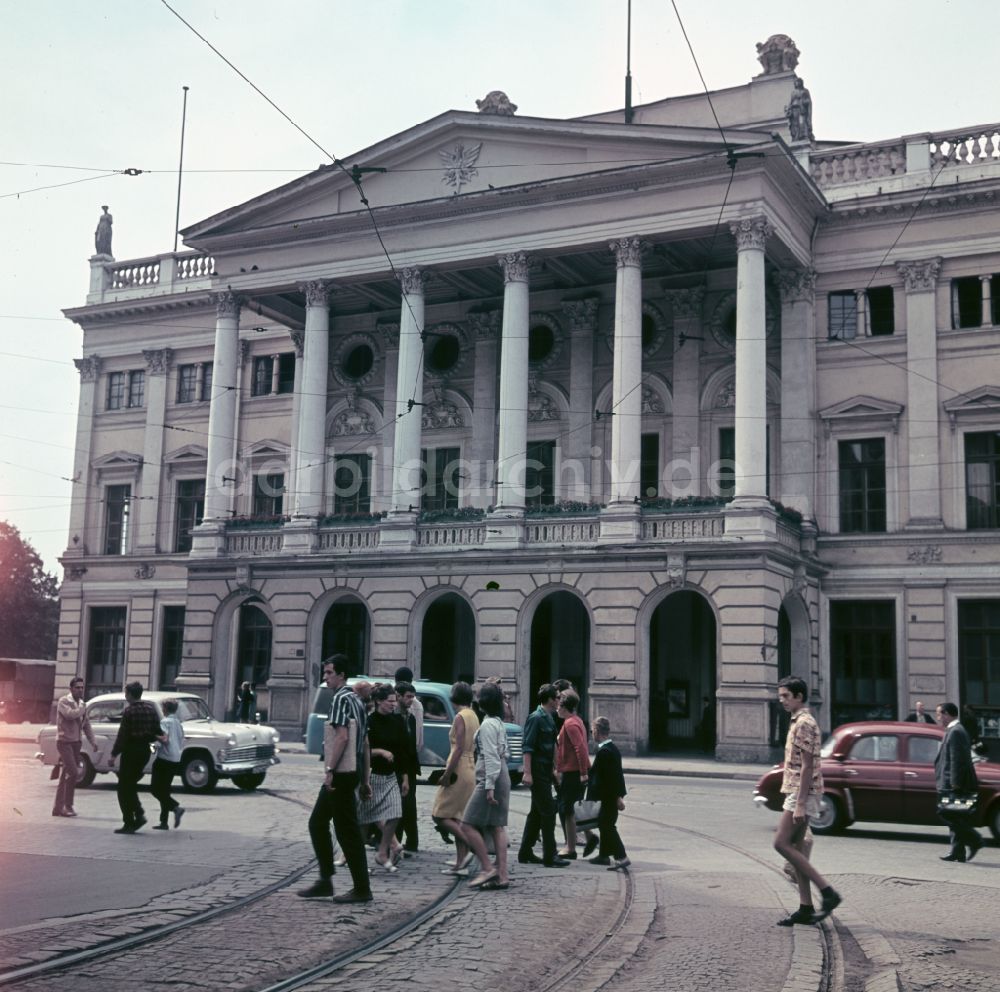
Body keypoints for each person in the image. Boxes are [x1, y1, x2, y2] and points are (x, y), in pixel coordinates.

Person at [299, 654, 373, 903]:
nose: (325, 677)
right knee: (325, 823)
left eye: (329, 672)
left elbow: (342, 738)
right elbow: (363, 743)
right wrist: (364, 780)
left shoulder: (340, 699)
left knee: (342, 830)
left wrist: (330, 769)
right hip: (351, 773)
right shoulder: (358, 701)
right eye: (325, 672)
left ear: (341, 675)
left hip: (340, 774)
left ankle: (359, 888)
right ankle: (326, 880)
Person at [771, 676, 842, 926]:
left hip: (803, 792)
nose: (782, 701)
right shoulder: (801, 721)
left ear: (799, 696)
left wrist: (800, 802)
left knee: (780, 843)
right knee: (798, 849)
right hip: (803, 791)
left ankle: (827, 891)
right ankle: (805, 907)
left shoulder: (803, 723)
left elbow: (807, 765)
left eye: (786, 696)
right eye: (781, 696)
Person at [459, 682, 511, 890]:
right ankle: (502, 875)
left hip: (492, 777)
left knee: (467, 824)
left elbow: (490, 757)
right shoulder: (497, 721)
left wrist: (489, 787)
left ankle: (488, 868)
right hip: (502, 774)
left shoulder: (488, 725)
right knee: (496, 826)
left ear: (482, 702)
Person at [358, 683, 412, 872]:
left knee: (395, 814)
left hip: (390, 776)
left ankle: (383, 852)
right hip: (371, 776)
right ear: (378, 701)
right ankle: (358, 861)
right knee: (365, 820)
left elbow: (403, 751)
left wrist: (405, 777)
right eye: (389, 701)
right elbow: (361, 751)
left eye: (394, 701)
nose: (393, 704)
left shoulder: (397, 721)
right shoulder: (369, 721)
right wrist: (380, 752)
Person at [517, 684, 569, 868]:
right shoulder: (536, 718)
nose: (559, 701)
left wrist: (556, 769)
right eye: (556, 698)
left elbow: (553, 745)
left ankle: (525, 851)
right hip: (537, 772)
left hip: (545, 771)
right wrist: (527, 772)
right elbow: (527, 747)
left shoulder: (549, 718)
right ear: (548, 699)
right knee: (548, 811)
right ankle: (550, 855)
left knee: (537, 812)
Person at [431, 682, 480, 874]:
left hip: (459, 767)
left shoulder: (460, 716)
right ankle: (461, 862)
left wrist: (447, 774)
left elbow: (458, 748)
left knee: (440, 814)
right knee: (458, 816)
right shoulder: (474, 715)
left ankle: (471, 846)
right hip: (470, 767)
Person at [110, 682, 163, 835]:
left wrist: (114, 754)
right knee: (130, 784)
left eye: (126, 693)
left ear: (131, 695)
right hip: (144, 751)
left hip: (131, 751)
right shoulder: (150, 709)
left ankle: (130, 820)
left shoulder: (129, 712)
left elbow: (123, 736)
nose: (125, 696)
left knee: (123, 788)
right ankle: (138, 814)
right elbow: (157, 731)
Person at [934, 702, 983, 863]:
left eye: (939, 714)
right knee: (957, 816)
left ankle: (975, 840)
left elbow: (956, 759)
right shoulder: (955, 730)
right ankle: (957, 852)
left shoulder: (956, 731)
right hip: (951, 781)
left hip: (952, 783)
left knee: (946, 813)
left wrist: (954, 783)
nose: (938, 717)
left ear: (947, 714)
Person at [586, 716, 630, 870]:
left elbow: (605, 779)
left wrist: (616, 798)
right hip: (612, 795)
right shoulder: (613, 748)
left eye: (592, 731)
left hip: (607, 797)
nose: (591, 734)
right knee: (605, 824)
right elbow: (618, 776)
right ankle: (604, 855)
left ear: (597, 731)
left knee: (607, 825)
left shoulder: (604, 752)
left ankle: (621, 856)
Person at [52, 676, 98, 818]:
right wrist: (82, 709)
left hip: (76, 743)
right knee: (73, 773)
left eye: (82, 687)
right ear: (71, 689)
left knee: (65, 775)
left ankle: (57, 808)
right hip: (64, 741)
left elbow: (86, 725)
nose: (80, 690)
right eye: (77, 687)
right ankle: (68, 806)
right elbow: (70, 715)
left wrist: (93, 741)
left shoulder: (82, 704)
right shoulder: (64, 701)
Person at [555, 689, 591, 859]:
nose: (556, 708)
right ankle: (590, 837)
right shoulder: (576, 720)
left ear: (565, 707)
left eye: (559, 705)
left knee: (567, 809)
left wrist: (583, 773)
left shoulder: (570, 724)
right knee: (571, 809)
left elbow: (581, 748)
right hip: (573, 771)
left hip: (573, 772)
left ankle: (570, 848)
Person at [395, 680, 421, 854]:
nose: (411, 700)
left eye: (412, 697)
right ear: (398, 696)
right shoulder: (394, 717)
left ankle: (411, 841)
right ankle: (394, 841)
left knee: (409, 806)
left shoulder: (410, 717)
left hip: (410, 767)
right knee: (398, 806)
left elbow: (411, 744)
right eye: (408, 697)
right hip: (397, 767)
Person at [150, 698, 185, 830]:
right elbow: (181, 738)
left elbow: (163, 739)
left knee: (155, 789)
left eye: (163, 708)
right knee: (165, 790)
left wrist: (153, 739)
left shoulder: (165, 722)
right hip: (175, 759)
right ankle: (163, 822)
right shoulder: (178, 723)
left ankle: (175, 807)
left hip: (164, 758)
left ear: (165, 709)